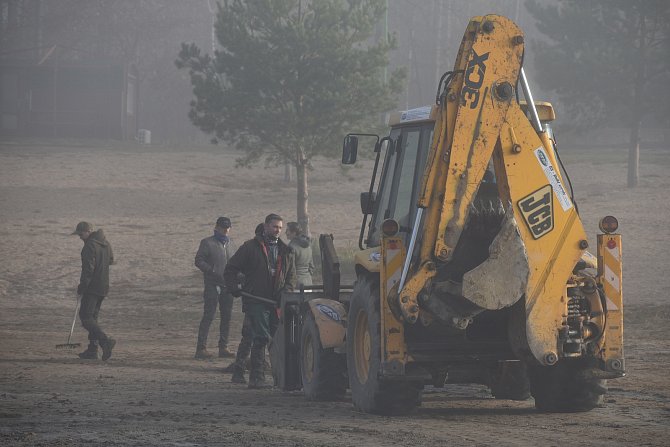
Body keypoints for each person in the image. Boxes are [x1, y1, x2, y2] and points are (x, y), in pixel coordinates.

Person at [224, 214, 296, 388]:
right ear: (265, 226)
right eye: (274, 227)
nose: (277, 230)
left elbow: (291, 277)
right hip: (255, 300)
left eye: (280, 227)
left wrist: (285, 292)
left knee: (274, 338)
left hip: (276, 302)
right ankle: (256, 378)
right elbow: (230, 269)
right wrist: (234, 287)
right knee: (260, 337)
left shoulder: (286, 251)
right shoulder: (249, 247)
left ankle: (277, 377)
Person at [71, 221, 116, 361]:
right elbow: (111, 260)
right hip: (103, 286)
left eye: (81, 234)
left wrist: (82, 287)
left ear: (89, 231)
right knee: (93, 318)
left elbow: (88, 270)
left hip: (92, 287)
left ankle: (105, 341)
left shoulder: (89, 246)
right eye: (78, 234)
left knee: (85, 317)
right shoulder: (106, 243)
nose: (79, 237)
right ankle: (92, 350)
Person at [194, 216, 236, 359]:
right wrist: (211, 270)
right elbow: (199, 260)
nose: (225, 230)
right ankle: (201, 348)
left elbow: (234, 263)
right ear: (217, 227)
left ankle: (223, 347)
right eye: (223, 228)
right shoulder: (207, 243)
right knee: (209, 315)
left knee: (227, 316)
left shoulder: (231, 243)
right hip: (212, 284)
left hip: (227, 285)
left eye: (227, 228)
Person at [285, 222, 314, 287]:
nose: (286, 232)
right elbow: (311, 266)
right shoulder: (308, 246)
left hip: (296, 284)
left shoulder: (291, 247)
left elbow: (290, 268)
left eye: (287, 230)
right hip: (308, 282)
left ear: (294, 232)